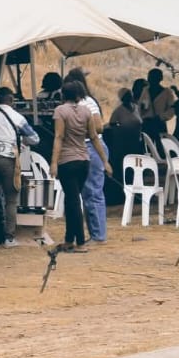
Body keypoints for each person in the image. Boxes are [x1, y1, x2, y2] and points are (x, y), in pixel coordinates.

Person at [51, 79, 111, 251]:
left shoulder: (60, 111)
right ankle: (70, 239)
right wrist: (105, 161)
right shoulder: (86, 111)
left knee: (73, 201)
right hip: (84, 159)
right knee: (76, 199)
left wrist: (54, 162)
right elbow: (94, 136)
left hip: (67, 160)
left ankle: (79, 242)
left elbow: (59, 137)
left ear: (63, 95)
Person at [0, 87, 40, 248]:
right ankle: (9, 238)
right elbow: (35, 138)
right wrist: (23, 142)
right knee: (11, 201)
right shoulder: (17, 117)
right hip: (9, 161)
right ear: (11, 100)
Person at [64, 67, 108, 242]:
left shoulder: (86, 103)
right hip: (84, 148)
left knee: (93, 192)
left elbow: (98, 127)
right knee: (87, 193)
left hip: (91, 147)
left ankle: (98, 235)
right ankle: (95, 232)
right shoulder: (81, 103)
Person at [104, 88, 143, 174]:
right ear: (122, 98)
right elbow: (112, 123)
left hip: (137, 140)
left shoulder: (137, 108)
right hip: (124, 141)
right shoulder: (119, 110)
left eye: (130, 94)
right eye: (127, 95)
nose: (130, 96)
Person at [143, 68, 176, 144]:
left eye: (153, 77)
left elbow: (172, 110)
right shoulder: (145, 90)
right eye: (150, 77)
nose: (150, 79)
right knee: (146, 147)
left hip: (159, 124)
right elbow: (141, 106)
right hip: (147, 124)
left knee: (161, 147)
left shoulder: (167, 92)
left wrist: (161, 117)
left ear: (160, 78)